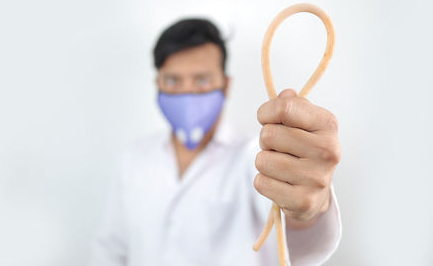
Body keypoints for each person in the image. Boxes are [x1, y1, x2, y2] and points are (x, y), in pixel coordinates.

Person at [90, 18, 342, 266]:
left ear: (226, 85)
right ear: (158, 85)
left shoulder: (257, 156)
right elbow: (111, 247)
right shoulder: (135, 158)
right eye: (173, 81)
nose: (187, 92)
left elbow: (297, 237)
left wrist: (309, 208)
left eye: (202, 80)